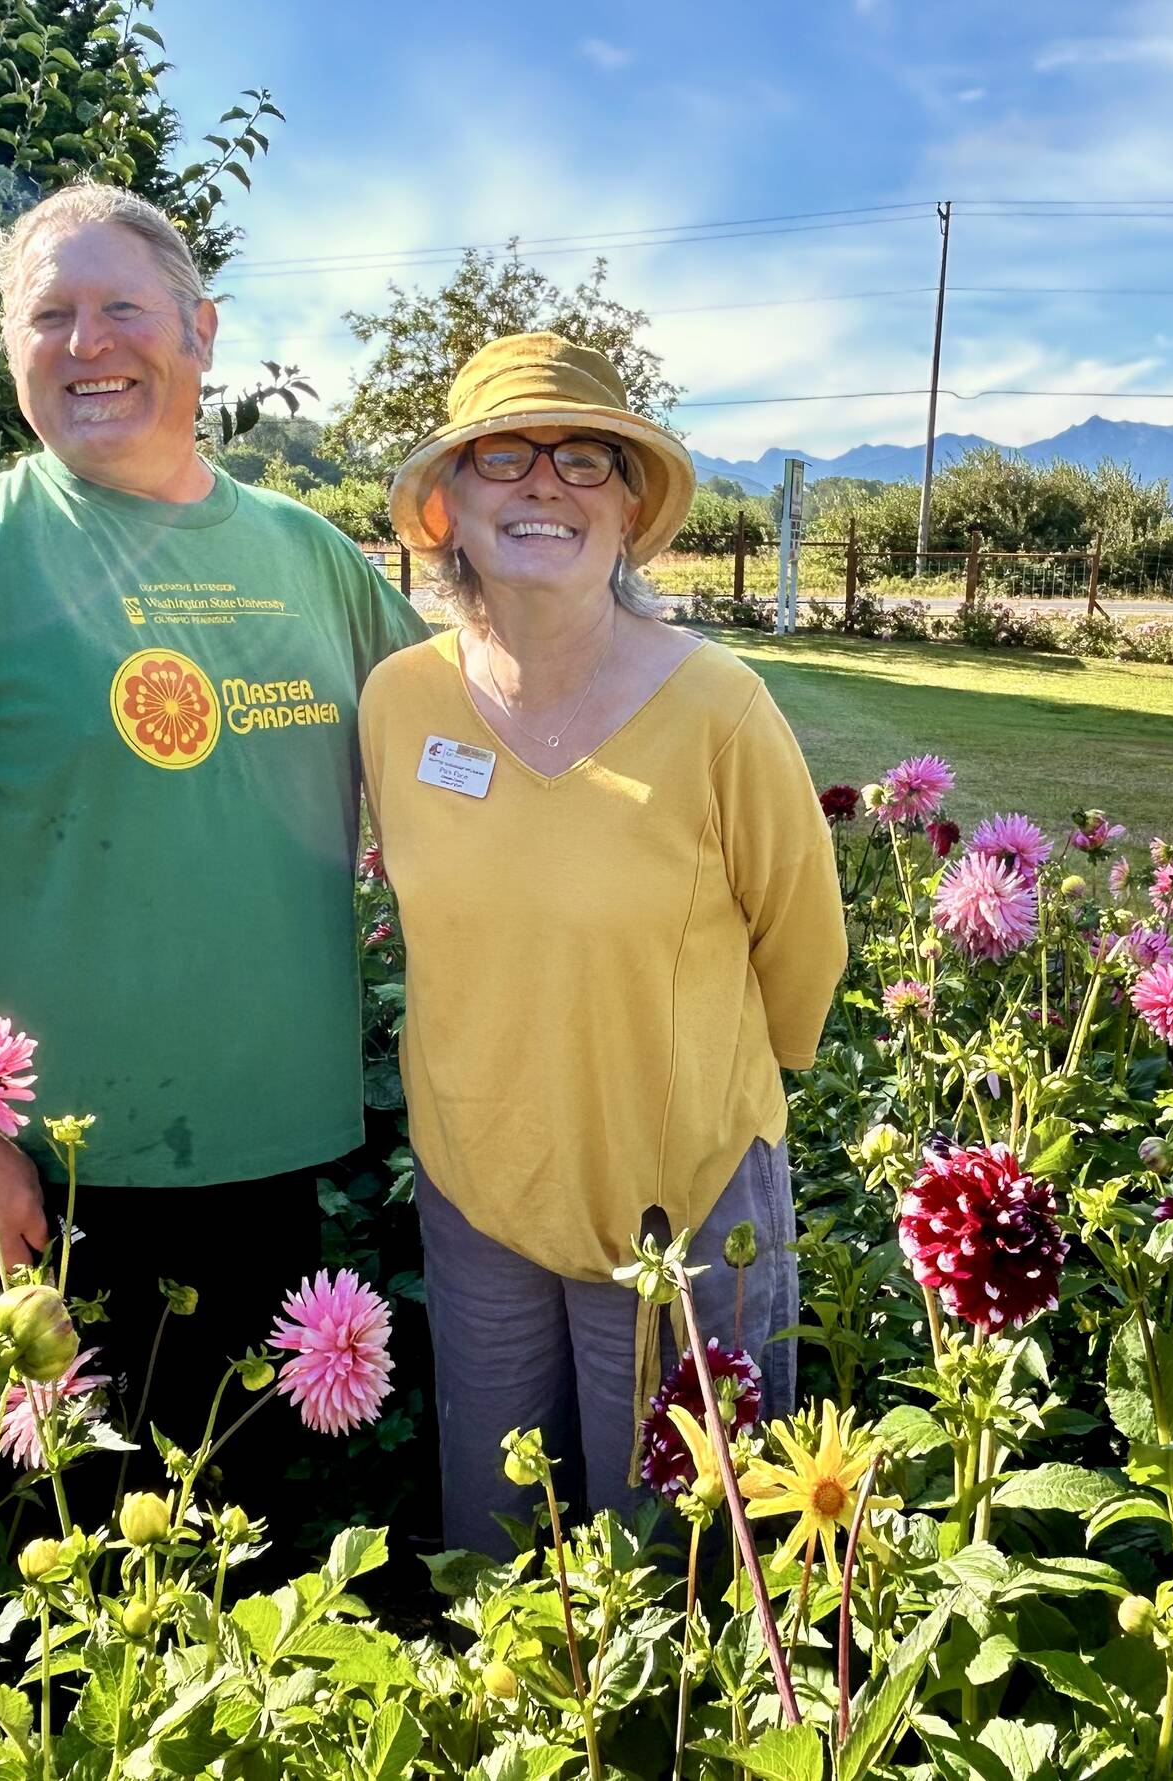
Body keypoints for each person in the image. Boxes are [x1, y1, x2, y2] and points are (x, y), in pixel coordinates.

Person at [0, 183, 426, 1494]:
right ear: (11, 352)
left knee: (275, 1596)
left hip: (292, 1181)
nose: (87, 342)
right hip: (44, 1200)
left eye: (122, 306)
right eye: (49, 315)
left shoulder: (312, 558)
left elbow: (450, 772)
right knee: (69, 1630)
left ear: (203, 330)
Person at [358, 333, 847, 1555]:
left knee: (678, 1544)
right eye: (501, 457)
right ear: (445, 507)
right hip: (476, 1181)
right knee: (494, 1530)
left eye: (585, 459)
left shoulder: (719, 704)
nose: (543, 484)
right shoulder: (397, 702)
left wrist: (707, 1101)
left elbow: (804, 941)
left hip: (680, 1188)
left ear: (628, 508)